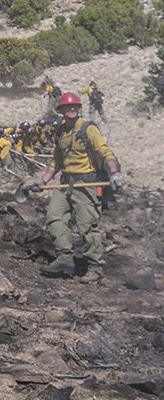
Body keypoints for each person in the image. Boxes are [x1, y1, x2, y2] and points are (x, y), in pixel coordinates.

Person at [33, 92, 124, 282]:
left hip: (87, 182)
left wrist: (114, 173)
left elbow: (105, 151)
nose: (71, 109)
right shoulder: (60, 132)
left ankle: (95, 267)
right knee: (54, 216)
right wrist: (44, 180)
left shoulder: (88, 129)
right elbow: (56, 160)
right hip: (66, 181)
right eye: (68, 106)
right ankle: (65, 257)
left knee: (87, 225)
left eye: (75, 106)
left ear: (79, 108)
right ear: (61, 110)